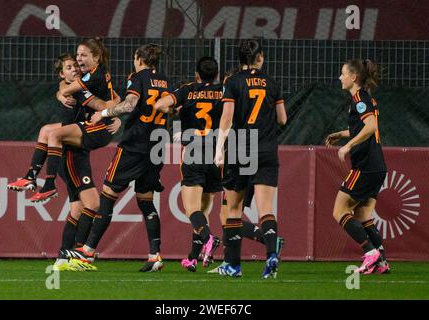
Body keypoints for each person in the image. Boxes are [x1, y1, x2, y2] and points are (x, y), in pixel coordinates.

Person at [7, 53, 121, 271]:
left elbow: (111, 98)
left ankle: (62, 258)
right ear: (62, 73)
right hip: (71, 156)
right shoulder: (72, 91)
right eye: (69, 67)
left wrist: (113, 113)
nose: (75, 68)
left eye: (76, 65)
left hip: (77, 153)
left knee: (77, 210)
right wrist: (111, 114)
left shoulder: (78, 86)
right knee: (93, 204)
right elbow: (93, 102)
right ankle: (77, 254)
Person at [62, 43, 171, 272]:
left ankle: (87, 252)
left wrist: (103, 113)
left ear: (139, 58)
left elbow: (130, 105)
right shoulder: (164, 80)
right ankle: (155, 255)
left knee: (108, 196)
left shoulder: (137, 77)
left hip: (134, 145)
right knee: (146, 200)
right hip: (157, 146)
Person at [214, 39, 287, 278]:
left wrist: (219, 149)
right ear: (260, 58)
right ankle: (271, 256)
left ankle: (233, 265)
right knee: (266, 210)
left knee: (233, 208)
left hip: (240, 148)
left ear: (239, 59)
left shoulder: (233, 82)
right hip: (266, 149)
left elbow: (226, 118)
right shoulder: (273, 83)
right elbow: (283, 119)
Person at [29, 38, 120, 203]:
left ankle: (48, 183)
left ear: (96, 57)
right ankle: (31, 176)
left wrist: (109, 113)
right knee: (46, 131)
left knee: (91, 206)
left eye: (83, 55)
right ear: (61, 73)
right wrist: (62, 92)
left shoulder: (92, 77)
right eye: (77, 55)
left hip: (96, 130)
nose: (78, 59)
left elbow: (108, 102)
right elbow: (115, 98)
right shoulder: (88, 75)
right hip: (77, 141)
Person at [154, 56, 223, 272]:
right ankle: (193, 257)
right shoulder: (223, 91)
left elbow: (160, 104)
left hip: (193, 150)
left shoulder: (188, 89)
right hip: (216, 153)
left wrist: (174, 110)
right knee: (205, 206)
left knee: (192, 208)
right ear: (216, 75)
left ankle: (208, 238)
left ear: (197, 74)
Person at [325, 59, 390, 274]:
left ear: (353, 78)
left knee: (339, 211)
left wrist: (347, 146)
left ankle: (370, 253)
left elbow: (371, 127)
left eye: (343, 74)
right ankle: (381, 261)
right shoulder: (365, 98)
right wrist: (342, 134)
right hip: (377, 166)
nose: (340, 78)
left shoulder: (359, 98)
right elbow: (363, 126)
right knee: (362, 216)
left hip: (365, 166)